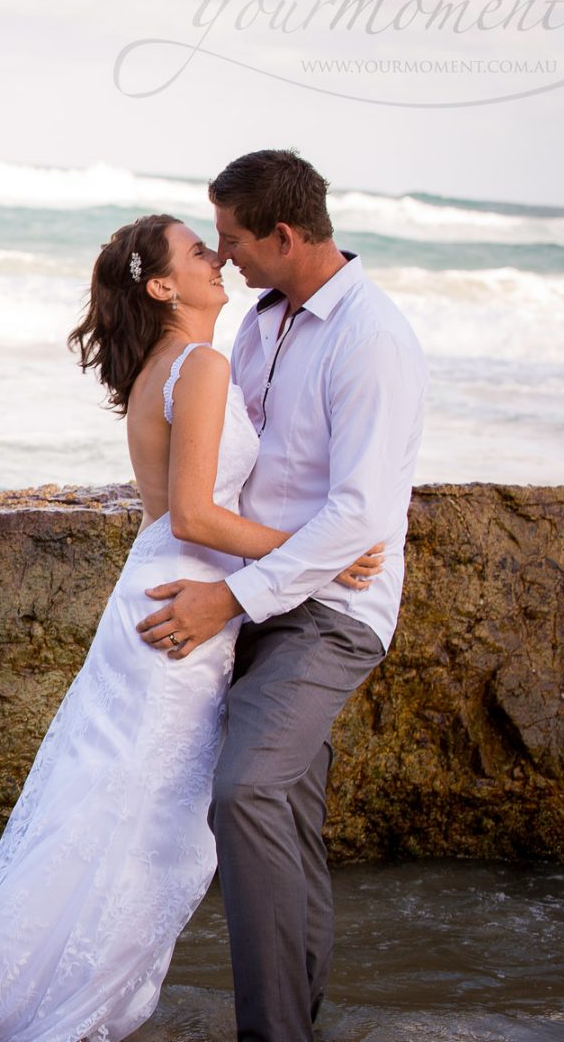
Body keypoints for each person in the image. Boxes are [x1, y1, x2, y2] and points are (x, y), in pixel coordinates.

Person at [0, 211, 382, 1042]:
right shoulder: (198, 364)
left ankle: (21, 994)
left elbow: (175, 516)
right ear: (163, 285)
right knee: (141, 821)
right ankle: (53, 1007)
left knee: (110, 806)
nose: (219, 258)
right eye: (201, 253)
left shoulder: (168, 366)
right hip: (182, 609)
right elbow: (194, 516)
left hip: (163, 593)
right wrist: (320, 552)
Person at [135, 150, 427, 1040]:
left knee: (248, 791)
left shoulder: (371, 338)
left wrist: (229, 600)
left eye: (232, 241)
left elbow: (359, 520)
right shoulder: (261, 324)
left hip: (333, 613)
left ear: (286, 235)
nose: (223, 258)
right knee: (289, 821)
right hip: (260, 592)